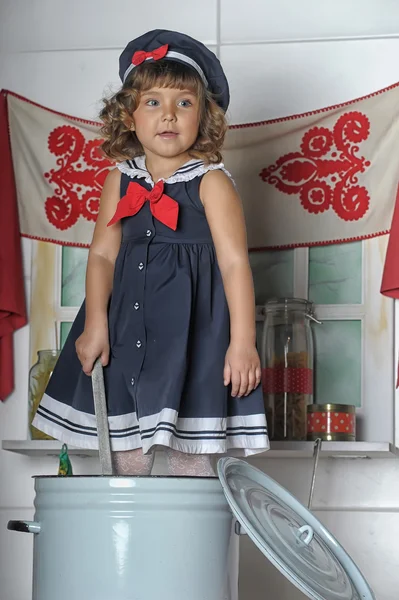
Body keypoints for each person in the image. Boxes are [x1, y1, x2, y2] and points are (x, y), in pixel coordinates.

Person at [32, 29, 269, 477]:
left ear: (204, 116)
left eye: (184, 103)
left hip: (195, 335)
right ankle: (130, 541)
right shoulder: (119, 179)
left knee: (192, 460)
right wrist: (96, 324)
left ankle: (191, 540)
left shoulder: (211, 182)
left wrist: (242, 343)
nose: (169, 116)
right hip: (124, 330)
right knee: (124, 455)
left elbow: (235, 262)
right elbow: (102, 255)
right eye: (153, 102)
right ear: (128, 116)